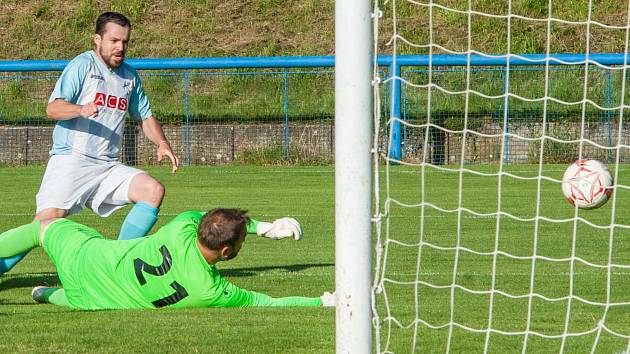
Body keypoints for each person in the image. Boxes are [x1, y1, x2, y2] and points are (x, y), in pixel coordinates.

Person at [0, 12, 180, 274]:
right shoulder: (83, 65)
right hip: (72, 160)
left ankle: (115, 268)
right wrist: (79, 109)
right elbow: (53, 108)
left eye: (125, 42)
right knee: (45, 224)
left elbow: (145, 116)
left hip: (106, 166)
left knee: (152, 190)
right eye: (114, 40)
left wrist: (162, 143)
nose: (120, 47)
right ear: (98, 39)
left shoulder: (129, 76)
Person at [0, 208, 335, 309]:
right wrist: (321, 302)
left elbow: (208, 214)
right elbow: (267, 304)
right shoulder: (211, 291)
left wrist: (261, 227)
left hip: (89, 257)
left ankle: (43, 292)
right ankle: (43, 294)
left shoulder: (181, 228)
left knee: (44, 228)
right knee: (70, 297)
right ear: (226, 252)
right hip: (87, 299)